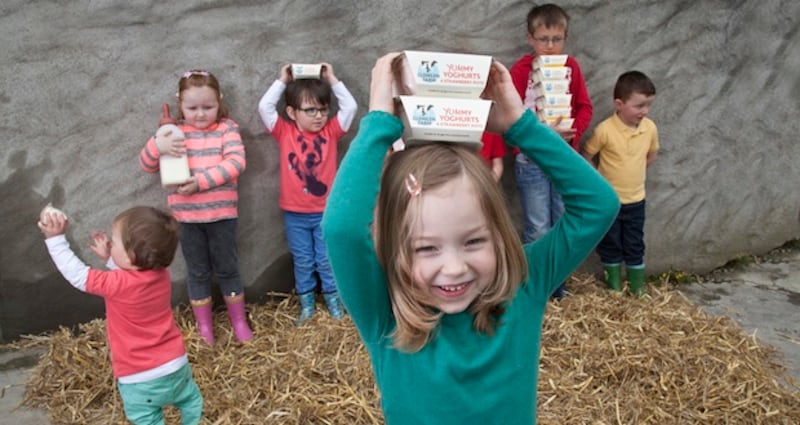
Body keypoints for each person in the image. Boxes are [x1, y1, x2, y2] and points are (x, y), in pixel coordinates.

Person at [321, 52, 618, 425]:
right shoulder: (385, 311)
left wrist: (519, 125)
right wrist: (379, 123)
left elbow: (599, 205)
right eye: (427, 247)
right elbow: (342, 230)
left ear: (497, 233)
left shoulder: (523, 282)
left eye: (474, 241)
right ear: (398, 250)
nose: (455, 267)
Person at [38, 206, 203, 424]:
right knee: (190, 400)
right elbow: (135, 276)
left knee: (148, 418)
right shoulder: (161, 275)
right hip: (176, 365)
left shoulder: (117, 284)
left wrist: (55, 239)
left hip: (139, 376)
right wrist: (112, 260)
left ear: (132, 255)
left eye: (114, 242)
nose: (110, 244)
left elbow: (78, 275)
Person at [140, 69, 252, 344]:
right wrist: (157, 143)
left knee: (228, 268)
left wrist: (199, 182)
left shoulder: (226, 128)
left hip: (222, 215)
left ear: (220, 101)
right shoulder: (173, 133)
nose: (200, 114)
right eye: (192, 108)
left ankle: (238, 320)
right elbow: (147, 165)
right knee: (198, 271)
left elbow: (236, 163)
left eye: (208, 107)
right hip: (186, 219)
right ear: (180, 103)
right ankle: (205, 328)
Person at [257, 62, 357, 325]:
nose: (318, 116)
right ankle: (307, 306)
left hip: (326, 212)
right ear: (291, 111)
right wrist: (282, 80)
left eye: (323, 109)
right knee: (303, 260)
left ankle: (334, 303)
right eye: (310, 110)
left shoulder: (331, 132)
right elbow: (265, 108)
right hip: (295, 214)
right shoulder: (284, 131)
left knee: (326, 260)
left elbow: (350, 108)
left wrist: (332, 79)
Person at [510, 3, 593, 298]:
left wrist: (573, 135)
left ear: (565, 39)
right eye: (543, 39)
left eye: (556, 39)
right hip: (530, 160)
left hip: (563, 159)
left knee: (562, 221)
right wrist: (535, 137)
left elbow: (584, 107)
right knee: (537, 227)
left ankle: (558, 285)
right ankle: (536, 287)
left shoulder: (571, 67)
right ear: (531, 38)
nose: (549, 46)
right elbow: (511, 116)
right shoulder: (521, 70)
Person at [582, 71, 658, 296]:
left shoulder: (649, 128)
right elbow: (587, 154)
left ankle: (637, 288)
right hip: (611, 202)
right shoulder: (605, 130)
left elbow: (651, 155)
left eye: (648, 105)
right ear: (619, 104)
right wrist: (599, 184)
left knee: (635, 244)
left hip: (636, 200)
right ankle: (614, 287)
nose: (644, 111)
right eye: (639, 106)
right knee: (610, 244)